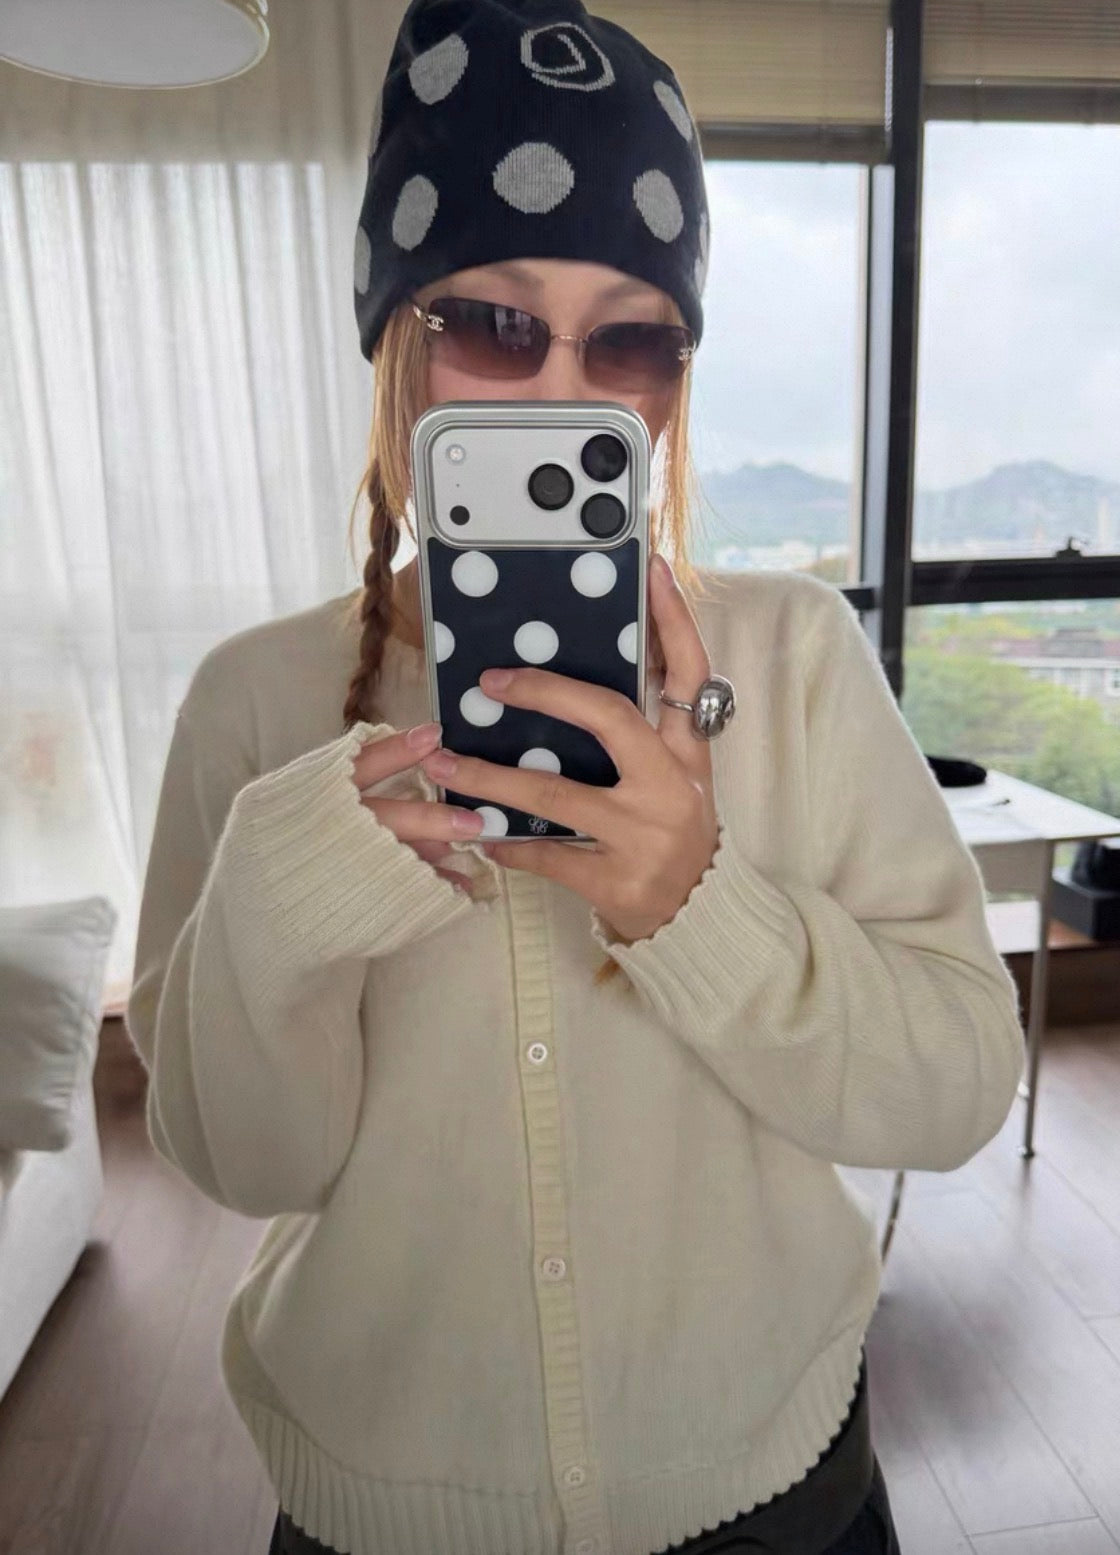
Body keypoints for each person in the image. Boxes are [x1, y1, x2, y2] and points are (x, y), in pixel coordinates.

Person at [125, 3, 1027, 1553]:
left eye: (628, 338)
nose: (561, 387)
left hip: (771, 1489)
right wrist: (277, 909)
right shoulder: (254, 698)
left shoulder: (796, 655)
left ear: (672, 379)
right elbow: (247, 1166)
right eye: (492, 322)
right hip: (378, 1505)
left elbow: (951, 1092)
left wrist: (699, 907)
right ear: (394, 344)